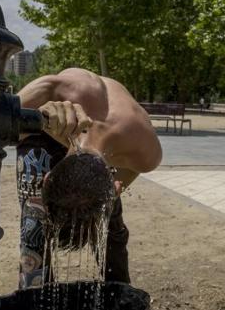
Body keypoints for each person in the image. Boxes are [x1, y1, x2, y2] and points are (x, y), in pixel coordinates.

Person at [15, 68, 162, 288]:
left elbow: (129, 170)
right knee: (35, 223)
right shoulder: (50, 89)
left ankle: (118, 292)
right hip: (45, 129)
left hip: (108, 153)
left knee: (106, 225)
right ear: (45, 179)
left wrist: (108, 197)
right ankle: (34, 293)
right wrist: (36, 119)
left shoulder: (145, 151)